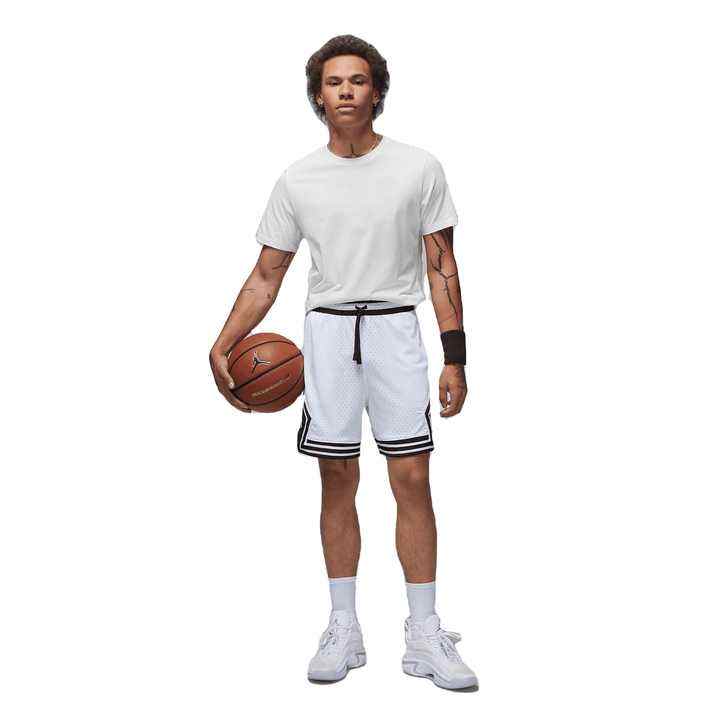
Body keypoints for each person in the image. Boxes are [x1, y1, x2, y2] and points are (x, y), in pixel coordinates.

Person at [209, 34, 476, 691]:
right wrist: (222, 342)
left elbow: (442, 266)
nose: (347, 91)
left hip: (395, 329)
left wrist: (456, 357)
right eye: (334, 82)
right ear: (318, 96)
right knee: (336, 479)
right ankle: (343, 625)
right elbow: (268, 274)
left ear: (377, 91)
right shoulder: (298, 178)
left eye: (358, 80)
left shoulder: (418, 167)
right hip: (328, 334)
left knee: (412, 478)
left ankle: (424, 631)